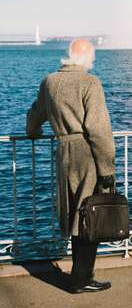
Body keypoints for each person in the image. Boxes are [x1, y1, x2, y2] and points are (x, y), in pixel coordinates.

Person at [26, 39, 115, 293]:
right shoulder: (90, 82)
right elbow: (99, 130)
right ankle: (82, 279)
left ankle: (80, 275)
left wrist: (33, 132)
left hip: (63, 152)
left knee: (76, 213)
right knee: (90, 214)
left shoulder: (50, 81)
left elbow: (36, 115)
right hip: (86, 153)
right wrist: (107, 169)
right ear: (87, 58)